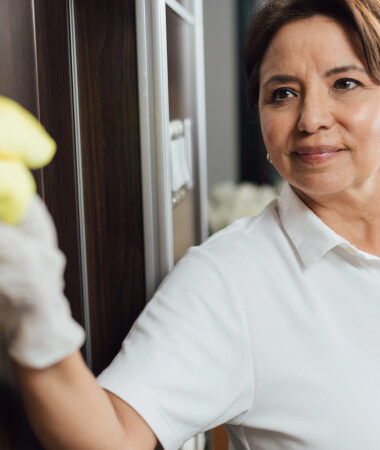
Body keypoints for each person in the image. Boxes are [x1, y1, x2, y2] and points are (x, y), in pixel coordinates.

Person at [2, 0, 380, 448]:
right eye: (282, 93)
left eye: (345, 83)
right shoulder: (232, 278)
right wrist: (35, 313)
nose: (311, 119)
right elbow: (112, 439)